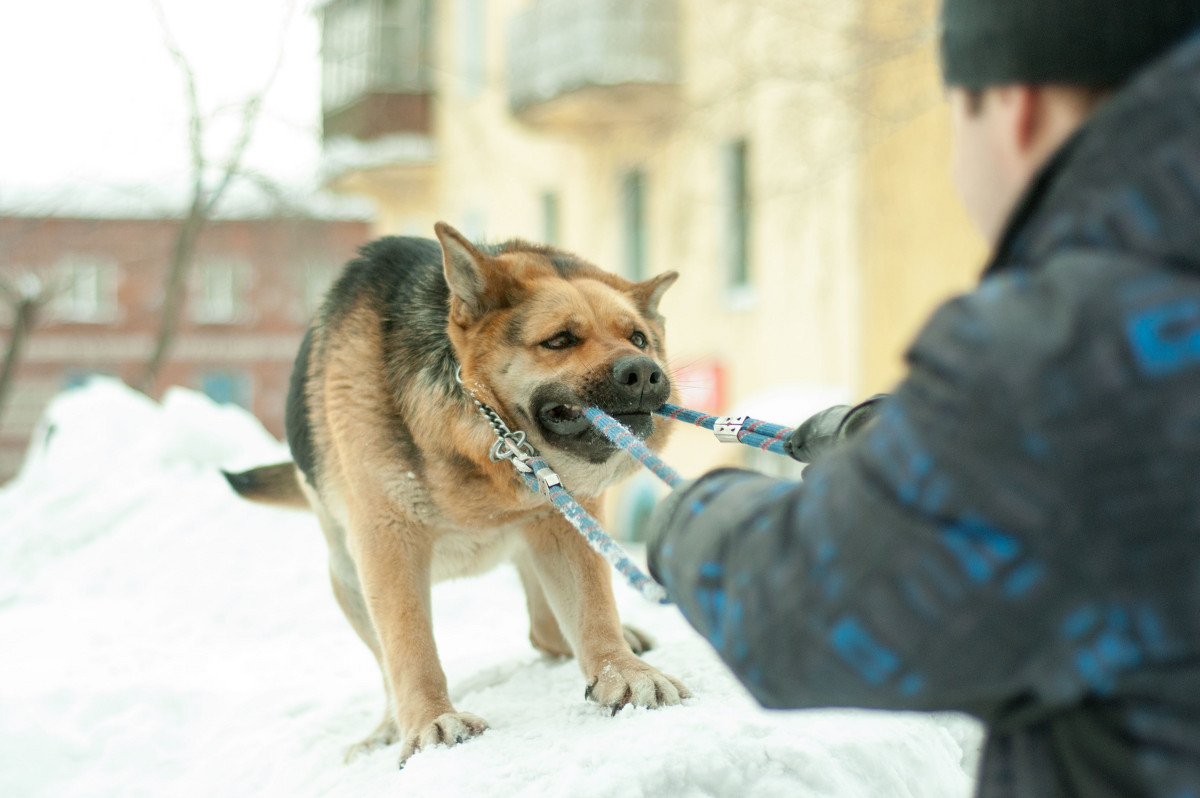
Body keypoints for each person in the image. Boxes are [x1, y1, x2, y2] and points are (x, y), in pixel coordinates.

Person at [644, 1, 1200, 796]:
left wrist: (689, 514)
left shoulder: (1068, 339)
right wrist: (890, 440)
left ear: (1013, 107)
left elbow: (801, 608)